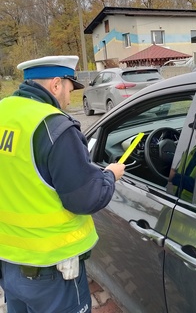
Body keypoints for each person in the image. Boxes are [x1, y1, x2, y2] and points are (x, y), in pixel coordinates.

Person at [0, 55, 125, 313]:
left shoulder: (4, 112)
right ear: (56, 84)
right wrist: (110, 175)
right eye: (70, 88)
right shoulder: (53, 125)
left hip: (9, 262)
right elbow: (85, 199)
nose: (70, 97)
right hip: (52, 271)